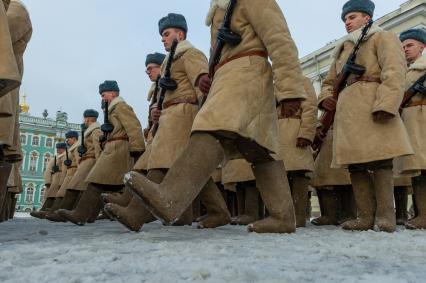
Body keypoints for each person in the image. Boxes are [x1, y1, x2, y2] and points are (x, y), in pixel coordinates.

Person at [125, 0, 307, 233]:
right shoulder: (222, 8)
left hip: (245, 72)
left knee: (209, 128)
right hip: (230, 76)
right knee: (259, 150)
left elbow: (279, 39)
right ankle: (283, 217)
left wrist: (290, 90)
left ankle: (170, 197)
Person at [105, 14, 230, 231]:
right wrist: (157, 111)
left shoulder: (189, 53)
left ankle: (135, 214)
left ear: (179, 34)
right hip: (170, 118)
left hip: (184, 116)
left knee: (162, 165)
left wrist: (206, 114)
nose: (163, 39)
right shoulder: (169, 62)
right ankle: (218, 211)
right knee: (190, 169)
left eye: (166, 34)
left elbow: (203, 85)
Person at [319, 0, 413, 232]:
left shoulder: (383, 37)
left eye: (352, 17)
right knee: (356, 165)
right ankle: (365, 216)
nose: (347, 23)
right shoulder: (341, 50)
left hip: (372, 104)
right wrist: (325, 98)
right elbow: (329, 82)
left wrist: (386, 104)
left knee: (381, 161)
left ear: (367, 17)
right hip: (347, 109)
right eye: (345, 19)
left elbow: (394, 71)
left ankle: (385, 217)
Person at [58, 80, 145, 225]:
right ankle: (88, 215)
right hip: (113, 148)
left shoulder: (120, 107)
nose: (102, 98)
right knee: (110, 184)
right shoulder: (112, 109)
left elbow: (134, 126)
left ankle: (81, 214)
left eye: (103, 94)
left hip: (119, 149)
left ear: (113, 93)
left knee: (97, 181)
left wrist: (137, 149)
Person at [396, 28, 426, 229]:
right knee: (416, 171)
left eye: (410, 45)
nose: (405, 49)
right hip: (409, 121)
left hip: (422, 119)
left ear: (422, 47)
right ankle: (420, 214)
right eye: (403, 46)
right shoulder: (402, 71)